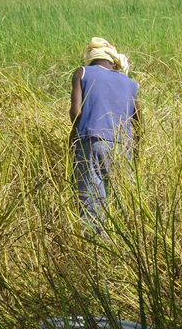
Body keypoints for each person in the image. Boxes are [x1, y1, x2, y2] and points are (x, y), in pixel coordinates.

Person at [69, 37, 141, 234]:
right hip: (121, 144)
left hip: (91, 139)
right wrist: (136, 144)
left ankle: (96, 245)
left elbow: (76, 112)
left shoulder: (82, 72)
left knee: (92, 196)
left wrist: (72, 139)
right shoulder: (129, 82)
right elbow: (138, 117)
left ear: (91, 59)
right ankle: (126, 240)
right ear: (112, 62)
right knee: (122, 196)